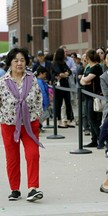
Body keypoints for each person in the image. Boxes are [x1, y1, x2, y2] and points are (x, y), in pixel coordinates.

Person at [0, 47, 44, 201]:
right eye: (16, 60)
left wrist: (38, 116)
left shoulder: (32, 79)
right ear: (10, 63)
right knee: (12, 158)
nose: (19, 63)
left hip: (30, 124)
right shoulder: (2, 82)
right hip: (9, 125)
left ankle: (33, 188)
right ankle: (15, 189)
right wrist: (3, 118)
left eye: (22, 60)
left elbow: (39, 98)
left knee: (33, 155)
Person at [80, 49, 103, 148]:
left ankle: (101, 139)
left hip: (94, 96)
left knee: (93, 119)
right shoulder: (89, 67)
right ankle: (94, 140)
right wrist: (84, 80)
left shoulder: (96, 68)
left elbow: (86, 80)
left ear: (88, 58)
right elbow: (83, 81)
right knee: (91, 118)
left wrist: (84, 80)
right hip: (88, 96)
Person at [51, 48, 74, 128]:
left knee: (68, 102)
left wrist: (65, 74)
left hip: (65, 84)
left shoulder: (64, 63)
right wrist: (64, 74)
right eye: (64, 53)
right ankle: (59, 121)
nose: (65, 54)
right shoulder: (55, 63)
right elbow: (58, 73)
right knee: (58, 103)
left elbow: (69, 71)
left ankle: (69, 120)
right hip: (58, 86)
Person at [35, 65, 51, 132]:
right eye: (44, 74)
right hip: (42, 103)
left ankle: (39, 126)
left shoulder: (39, 81)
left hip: (42, 103)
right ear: (41, 73)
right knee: (44, 115)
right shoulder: (40, 82)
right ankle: (37, 126)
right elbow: (43, 93)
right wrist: (46, 103)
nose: (45, 76)